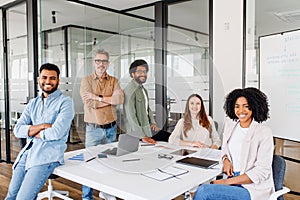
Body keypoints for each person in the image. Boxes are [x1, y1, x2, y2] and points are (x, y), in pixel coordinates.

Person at [5, 63, 75, 200]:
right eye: (44, 77)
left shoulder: (65, 102)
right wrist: (43, 126)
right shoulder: (33, 103)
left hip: (46, 156)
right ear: (38, 80)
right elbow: (18, 130)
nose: (48, 81)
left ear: (58, 81)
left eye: (52, 78)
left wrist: (31, 131)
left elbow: (56, 133)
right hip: (28, 152)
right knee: (11, 196)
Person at [194, 87, 274, 200]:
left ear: (255, 107)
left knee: (205, 191)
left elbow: (261, 171)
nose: (241, 111)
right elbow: (225, 149)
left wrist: (226, 182)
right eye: (237, 106)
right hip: (231, 178)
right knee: (200, 186)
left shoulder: (264, 132)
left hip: (251, 187)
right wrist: (226, 159)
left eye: (246, 106)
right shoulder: (231, 125)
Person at [80, 49, 124, 200]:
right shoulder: (86, 80)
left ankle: (106, 191)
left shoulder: (114, 80)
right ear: (94, 63)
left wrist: (97, 97)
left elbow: (119, 100)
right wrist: (108, 99)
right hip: (94, 130)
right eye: (98, 61)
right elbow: (88, 102)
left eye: (104, 61)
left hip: (111, 128)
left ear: (108, 63)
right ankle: (87, 196)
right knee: (89, 163)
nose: (101, 64)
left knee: (109, 163)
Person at [123, 59, 170, 144]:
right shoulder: (129, 90)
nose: (143, 74)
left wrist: (153, 123)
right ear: (132, 74)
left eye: (145, 72)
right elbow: (131, 117)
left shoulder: (143, 90)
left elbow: (148, 109)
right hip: (137, 134)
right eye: (140, 72)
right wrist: (142, 136)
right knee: (168, 140)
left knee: (170, 138)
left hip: (147, 129)